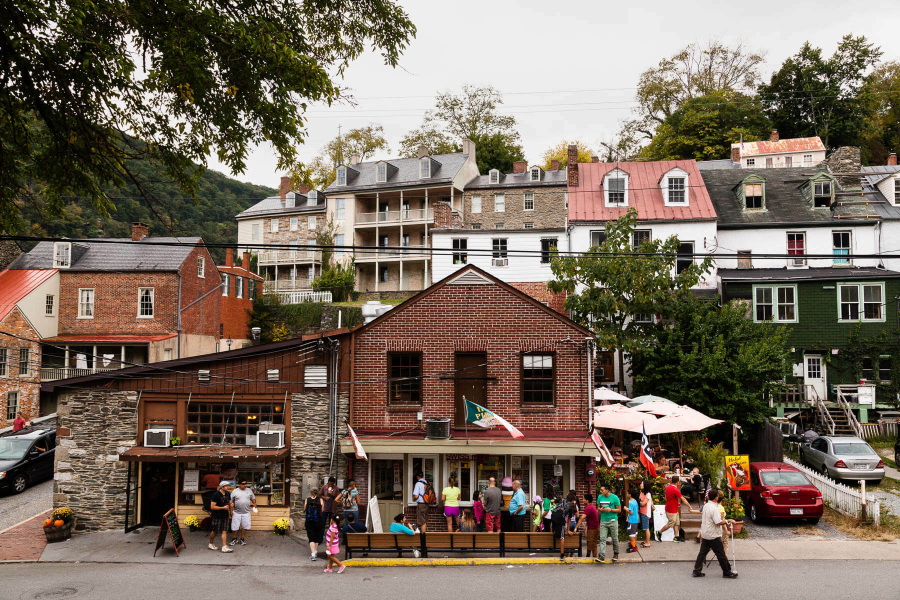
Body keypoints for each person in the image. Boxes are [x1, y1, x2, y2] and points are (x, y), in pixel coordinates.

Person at [692, 487, 738, 579]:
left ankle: (697, 571)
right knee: (721, 554)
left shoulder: (706, 506)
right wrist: (728, 520)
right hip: (713, 535)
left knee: (702, 553)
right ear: (716, 498)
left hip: (705, 533)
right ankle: (727, 572)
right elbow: (718, 522)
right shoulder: (714, 508)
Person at [658, 475, 697, 542]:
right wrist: (689, 506)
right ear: (678, 482)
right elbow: (683, 499)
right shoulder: (675, 489)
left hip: (671, 507)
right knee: (671, 523)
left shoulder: (668, 487)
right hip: (671, 509)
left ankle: (676, 536)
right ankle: (659, 532)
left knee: (676, 522)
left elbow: (666, 497)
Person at [595, 484, 621, 563]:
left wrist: (611, 510)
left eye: (602, 490)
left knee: (615, 538)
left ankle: (616, 553)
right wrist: (601, 509)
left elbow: (619, 510)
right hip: (603, 520)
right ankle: (602, 556)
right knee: (602, 538)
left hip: (613, 520)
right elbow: (598, 508)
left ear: (607, 490)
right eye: (600, 490)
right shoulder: (600, 497)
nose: (601, 491)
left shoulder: (615, 498)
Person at [229, 479, 256, 546]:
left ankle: (242, 539)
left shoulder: (249, 490)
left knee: (245, 526)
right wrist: (231, 511)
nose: (245, 485)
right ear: (239, 485)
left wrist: (254, 503)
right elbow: (231, 502)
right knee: (235, 526)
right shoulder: (235, 491)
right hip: (236, 512)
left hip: (246, 512)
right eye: (243, 484)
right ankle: (234, 538)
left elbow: (253, 498)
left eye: (245, 484)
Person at [208, 480, 233, 553]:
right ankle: (211, 543)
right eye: (226, 486)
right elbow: (212, 507)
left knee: (224, 530)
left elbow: (230, 502)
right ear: (222, 487)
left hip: (225, 515)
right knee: (215, 530)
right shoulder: (216, 495)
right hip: (217, 515)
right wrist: (223, 508)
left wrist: (231, 509)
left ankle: (224, 546)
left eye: (228, 486)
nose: (228, 487)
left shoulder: (228, 493)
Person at [551, 492, 577, 562]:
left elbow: (552, 500)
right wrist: (568, 530)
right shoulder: (571, 506)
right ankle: (562, 555)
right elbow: (569, 519)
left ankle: (553, 532)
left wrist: (554, 505)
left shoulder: (562, 499)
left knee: (554, 528)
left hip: (553, 515)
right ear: (572, 500)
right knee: (562, 536)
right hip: (560, 518)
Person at [574, 493, 599, 559]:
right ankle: (588, 556)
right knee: (589, 542)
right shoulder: (591, 506)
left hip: (593, 529)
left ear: (587, 500)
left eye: (584, 499)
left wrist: (576, 527)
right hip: (592, 527)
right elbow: (591, 517)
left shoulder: (589, 508)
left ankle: (594, 558)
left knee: (593, 544)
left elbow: (582, 518)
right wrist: (586, 524)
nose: (582, 500)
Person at [305, 487, 324, 561]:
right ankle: (315, 551)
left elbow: (305, 509)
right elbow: (322, 510)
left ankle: (312, 554)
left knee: (311, 537)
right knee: (317, 536)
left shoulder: (307, 500)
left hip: (309, 521)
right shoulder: (321, 500)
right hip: (318, 521)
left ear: (311, 492)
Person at [639, 480, 653, 548]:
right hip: (642, 512)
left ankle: (648, 542)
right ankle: (646, 540)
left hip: (646, 513)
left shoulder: (648, 494)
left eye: (642, 484)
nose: (640, 485)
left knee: (646, 528)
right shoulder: (641, 493)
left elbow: (643, 503)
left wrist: (639, 502)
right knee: (644, 527)